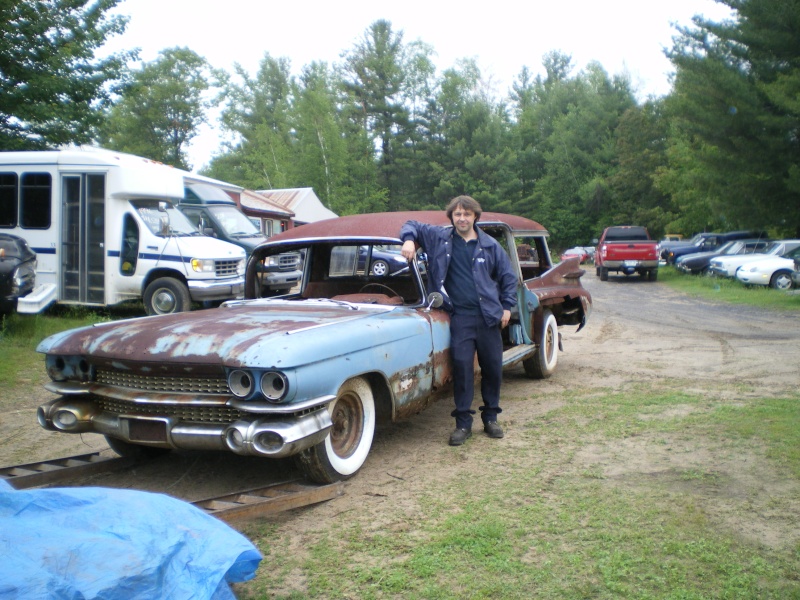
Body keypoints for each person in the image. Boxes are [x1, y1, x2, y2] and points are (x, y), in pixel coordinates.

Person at [400, 196, 518, 446]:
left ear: (476, 216)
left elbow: (508, 277)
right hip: (460, 316)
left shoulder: (490, 245)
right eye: (457, 214)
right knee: (463, 369)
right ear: (451, 217)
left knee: (493, 368)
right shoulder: (439, 238)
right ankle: (463, 424)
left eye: (467, 214)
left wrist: (507, 307)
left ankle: (491, 418)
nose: (462, 218)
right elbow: (410, 224)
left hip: (488, 317)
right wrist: (409, 240)